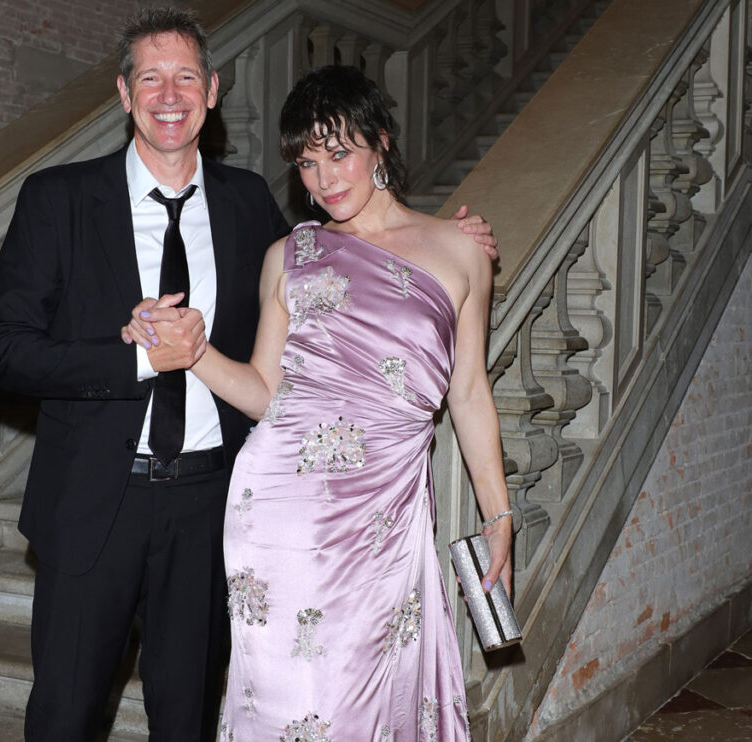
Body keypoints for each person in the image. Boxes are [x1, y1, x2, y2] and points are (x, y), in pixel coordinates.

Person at [0, 7, 499, 741]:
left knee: (187, 719)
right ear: (124, 94)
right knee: (64, 717)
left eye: (186, 76)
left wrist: (449, 237)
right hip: (93, 504)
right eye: (151, 78)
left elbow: (349, 274)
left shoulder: (248, 202)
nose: (170, 94)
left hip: (213, 507)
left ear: (214, 90)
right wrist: (133, 354)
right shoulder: (57, 198)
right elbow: (4, 352)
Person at [125, 65, 511, 740]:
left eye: (339, 154)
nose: (325, 179)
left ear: (380, 143)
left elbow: (470, 392)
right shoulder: (290, 254)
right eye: (307, 162)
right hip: (281, 513)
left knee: (367, 701)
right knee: (296, 704)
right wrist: (195, 353)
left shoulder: (461, 252)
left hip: (387, 516)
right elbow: (263, 393)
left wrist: (498, 510)